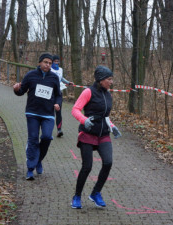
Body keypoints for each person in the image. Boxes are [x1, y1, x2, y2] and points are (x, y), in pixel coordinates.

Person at [70, 66, 122, 209]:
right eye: (109, 79)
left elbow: (105, 116)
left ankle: (95, 193)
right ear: (100, 79)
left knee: (108, 162)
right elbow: (75, 109)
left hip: (103, 134)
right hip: (87, 134)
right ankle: (77, 196)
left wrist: (112, 126)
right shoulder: (88, 92)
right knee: (87, 167)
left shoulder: (108, 95)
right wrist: (84, 120)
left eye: (111, 79)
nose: (111, 82)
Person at [13, 53, 62, 180]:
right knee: (33, 139)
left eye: (50, 63)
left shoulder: (54, 78)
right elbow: (21, 91)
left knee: (46, 137)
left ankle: (38, 160)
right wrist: (16, 89)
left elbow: (58, 95)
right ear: (40, 62)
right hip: (32, 113)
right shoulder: (31, 75)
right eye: (45, 62)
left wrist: (57, 103)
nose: (48, 65)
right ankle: (30, 169)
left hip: (48, 114)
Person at [50, 55, 74, 137]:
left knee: (58, 111)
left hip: (58, 93)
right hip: (50, 93)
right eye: (55, 61)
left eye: (57, 61)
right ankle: (48, 129)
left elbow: (61, 78)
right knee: (50, 112)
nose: (56, 63)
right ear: (52, 62)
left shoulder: (60, 70)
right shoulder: (49, 69)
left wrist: (68, 82)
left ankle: (59, 130)